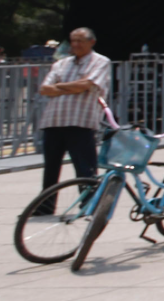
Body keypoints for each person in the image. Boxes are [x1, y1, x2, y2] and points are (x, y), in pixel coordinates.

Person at [33, 26, 111, 212]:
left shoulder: (100, 62)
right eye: (73, 41)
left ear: (92, 42)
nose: (75, 45)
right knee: (51, 169)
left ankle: (89, 204)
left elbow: (88, 84)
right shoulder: (61, 63)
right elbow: (45, 88)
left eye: (80, 41)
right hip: (54, 121)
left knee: (85, 168)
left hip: (81, 122)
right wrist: (73, 87)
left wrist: (59, 87)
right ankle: (45, 206)